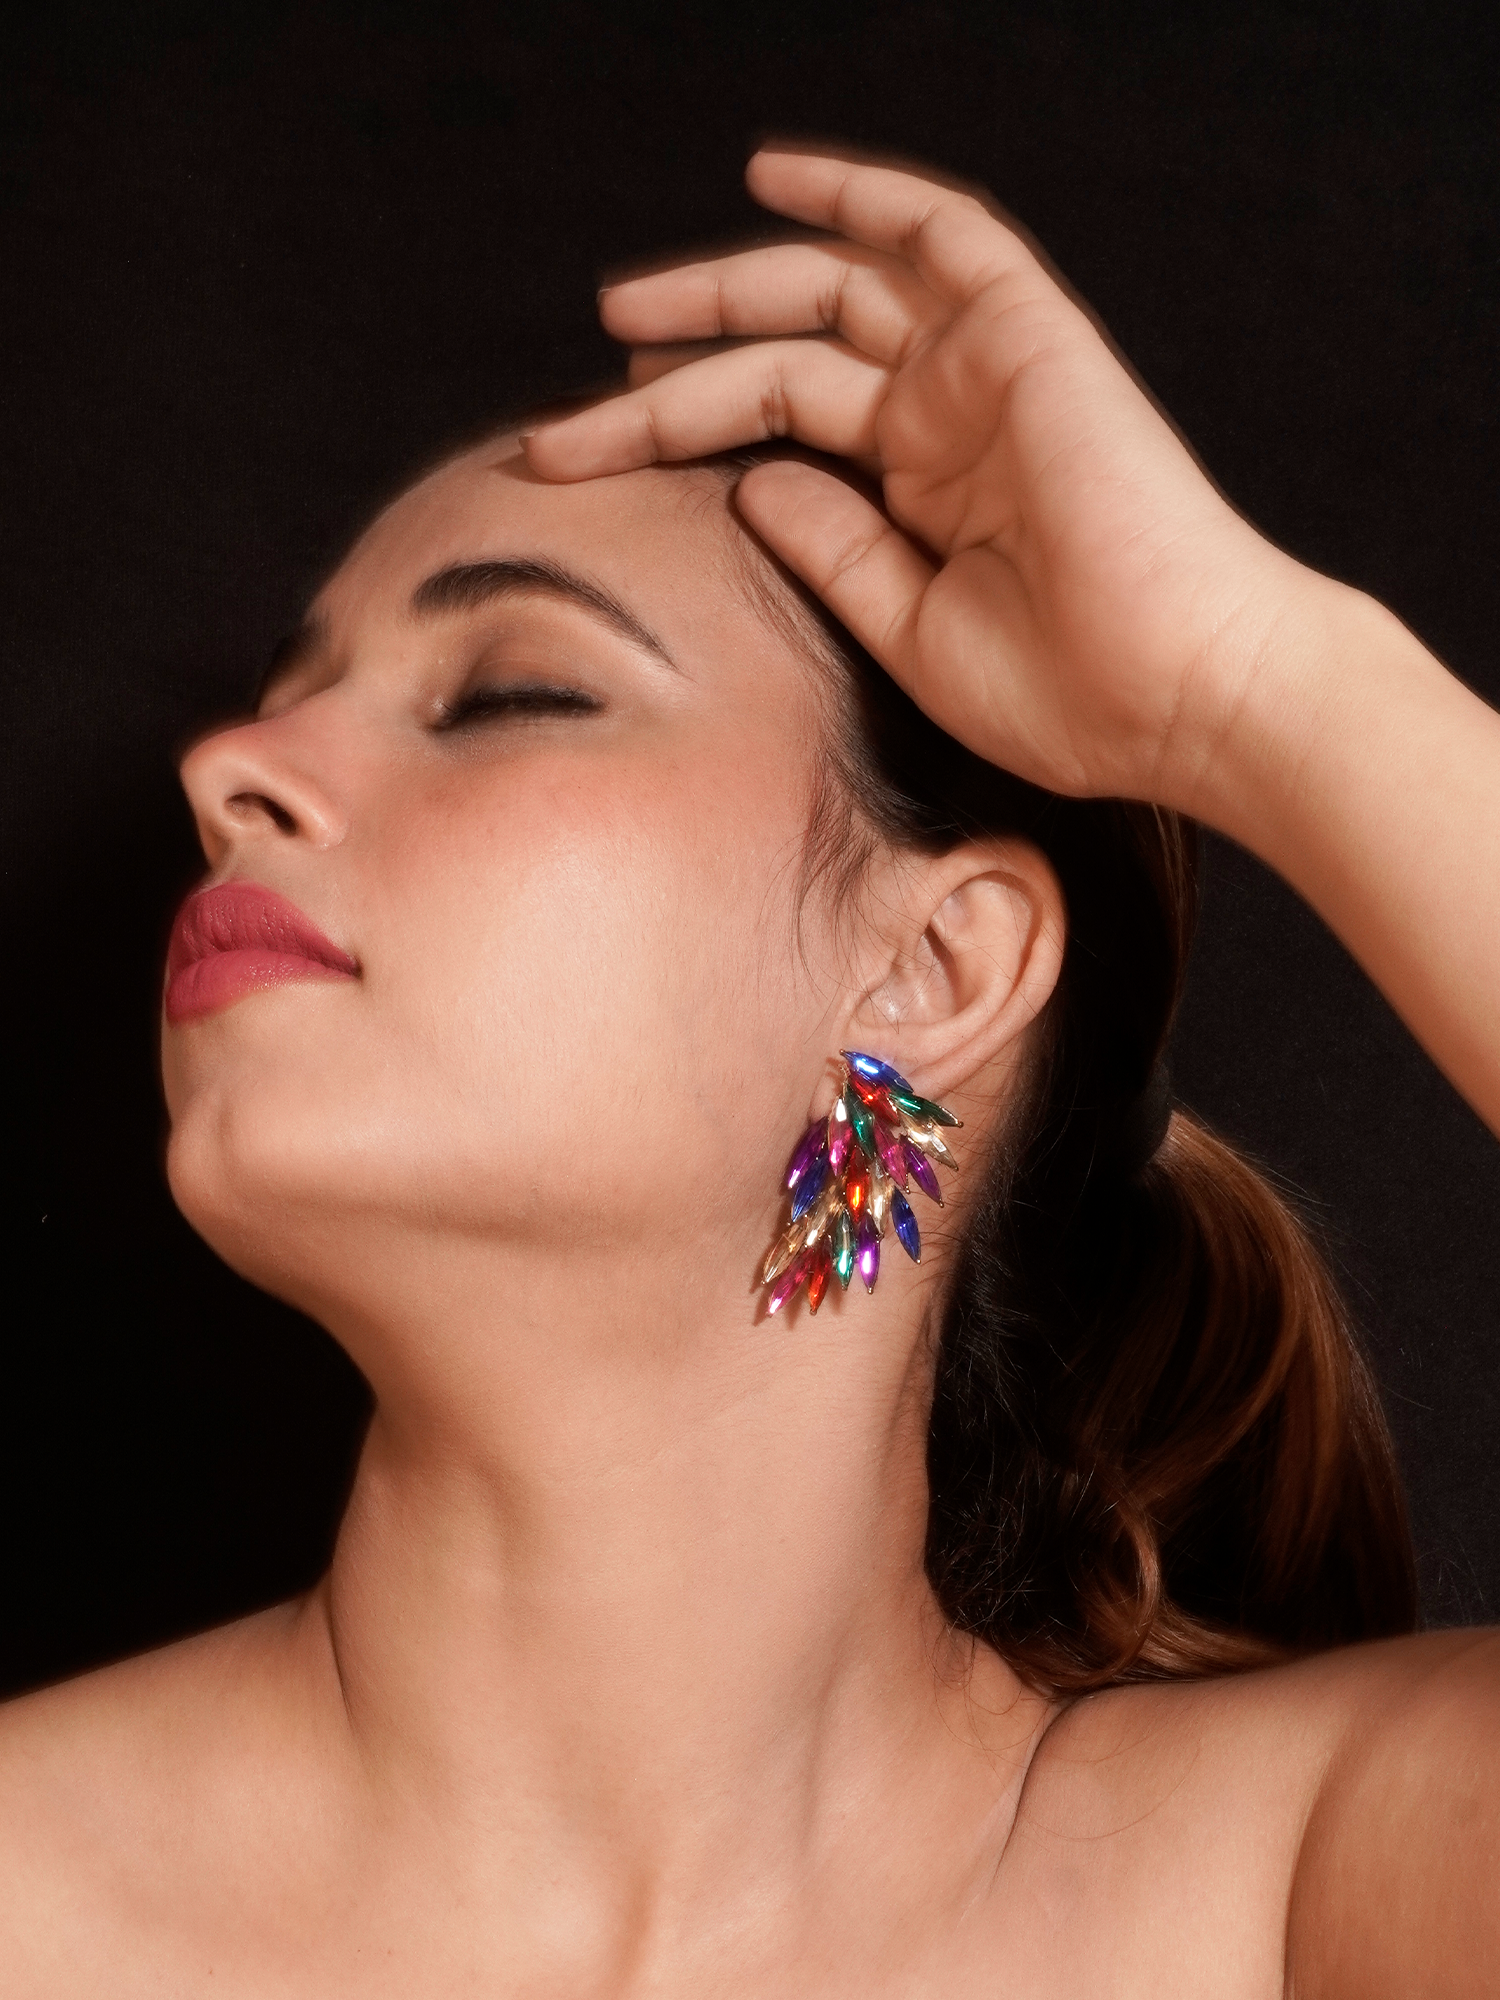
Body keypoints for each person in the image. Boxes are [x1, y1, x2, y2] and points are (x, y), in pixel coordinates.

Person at [0, 145, 1495, 1994]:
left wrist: (1257, 684)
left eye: (511, 693)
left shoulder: (1290, 1894)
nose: (228, 769)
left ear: (933, 967)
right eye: (282, 698)